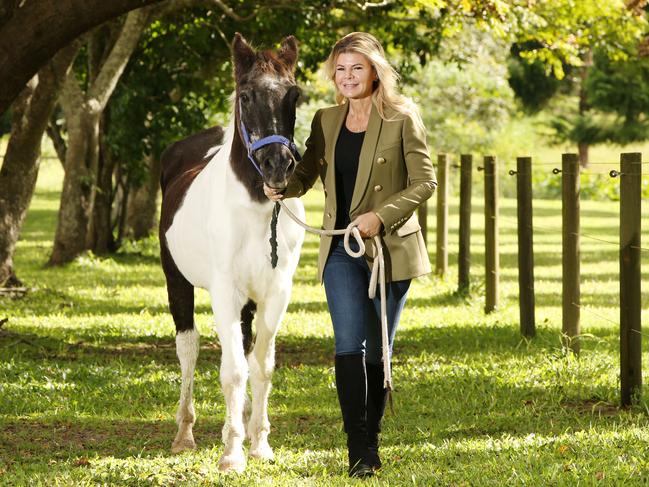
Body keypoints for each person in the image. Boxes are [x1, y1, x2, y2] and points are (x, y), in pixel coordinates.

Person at [264, 32, 436, 478]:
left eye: (356, 68)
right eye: (340, 70)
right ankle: (358, 446)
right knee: (348, 344)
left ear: (375, 70)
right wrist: (284, 186)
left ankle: (371, 435)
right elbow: (306, 172)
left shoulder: (401, 116)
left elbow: (424, 183)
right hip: (341, 245)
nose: (348, 77)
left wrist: (381, 216)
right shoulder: (325, 120)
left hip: (391, 248)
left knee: (379, 350)